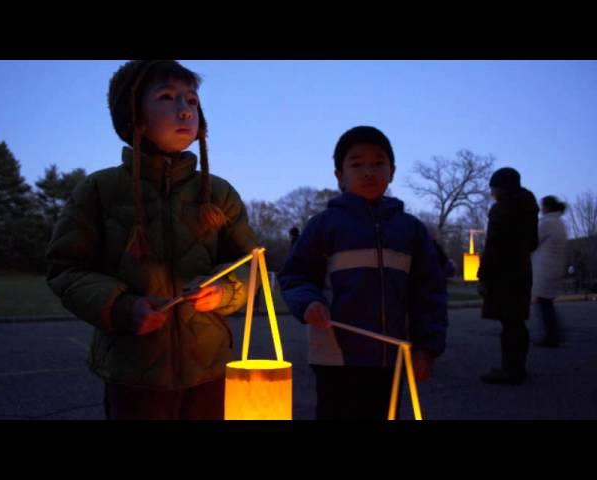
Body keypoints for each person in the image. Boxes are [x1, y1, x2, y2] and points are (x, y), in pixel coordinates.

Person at [46, 60, 257, 420]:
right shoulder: (99, 190)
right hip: (134, 374)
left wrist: (223, 290)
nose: (184, 109)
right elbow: (67, 270)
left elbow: (252, 265)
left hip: (209, 369)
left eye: (191, 100)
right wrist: (122, 306)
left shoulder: (218, 193)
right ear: (134, 117)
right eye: (167, 96)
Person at [278, 126, 447, 420]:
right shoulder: (324, 225)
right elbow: (296, 275)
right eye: (357, 164)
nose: (369, 171)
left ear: (392, 171)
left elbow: (429, 292)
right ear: (339, 176)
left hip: (391, 357)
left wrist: (426, 347)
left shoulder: (411, 230)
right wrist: (308, 302)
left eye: (378, 163)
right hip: (334, 357)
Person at [477, 167, 539, 385]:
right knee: (517, 322)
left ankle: (510, 370)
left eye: (493, 188)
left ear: (501, 188)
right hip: (521, 271)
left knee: (509, 324)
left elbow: (492, 246)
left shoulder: (501, 210)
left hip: (503, 274)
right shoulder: (529, 208)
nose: (492, 193)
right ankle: (517, 367)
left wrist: (483, 274)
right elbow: (533, 242)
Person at [532, 195, 568, 347]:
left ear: (547, 207)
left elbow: (533, 240)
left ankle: (552, 336)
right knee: (547, 302)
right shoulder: (560, 223)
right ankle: (554, 334)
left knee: (543, 301)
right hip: (555, 266)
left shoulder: (547, 223)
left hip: (544, 267)